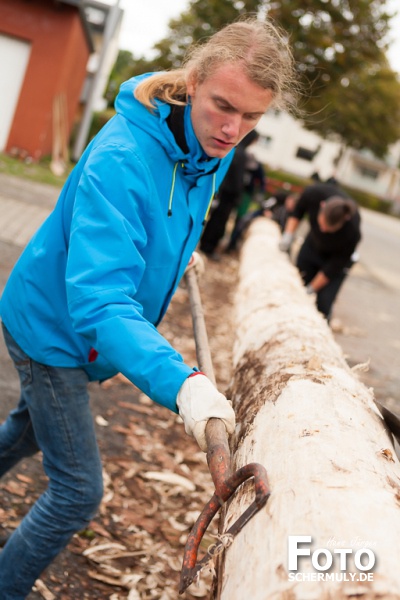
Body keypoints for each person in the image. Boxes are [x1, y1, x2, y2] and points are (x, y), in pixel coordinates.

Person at [0, 17, 297, 597]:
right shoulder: (122, 156)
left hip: (77, 328)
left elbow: (170, 210)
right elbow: (98, 300)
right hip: (52, 328)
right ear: (193, 80)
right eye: (222, 106)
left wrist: (179, 253)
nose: (233, 128)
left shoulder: (213, 145)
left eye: (253, 117)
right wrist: (183, 385)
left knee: (30, 431)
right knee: (77, 491)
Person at [279, 180, 361, 322]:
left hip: (335, 260)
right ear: (321, 206)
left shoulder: (352, 231)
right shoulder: (314, 194)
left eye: (328, 230)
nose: (323, 230)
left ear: (343, 221)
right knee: (299, 284)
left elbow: (334, 266)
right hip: (312, 247)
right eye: (321, 225)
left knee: (323, 303)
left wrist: (311, 289)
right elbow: (297, 211)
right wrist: (288, 235)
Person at [199, 129, 259, 259]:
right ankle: (209, 247)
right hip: (230, 194)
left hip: (222, 191)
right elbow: (238, 178)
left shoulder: (234, 150)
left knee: (213, 219)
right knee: (220, 222)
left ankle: (205, 244)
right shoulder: (241, 154)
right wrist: (238, 195)